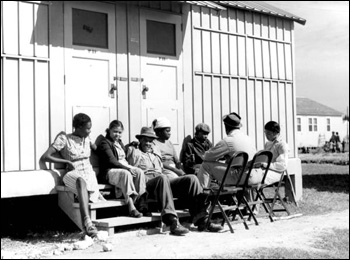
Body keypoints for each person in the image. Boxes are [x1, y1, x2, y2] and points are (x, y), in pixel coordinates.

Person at [126, 127, 224, 235]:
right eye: (145, 140)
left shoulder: (155, 151)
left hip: (162, 181)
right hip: (147, 184)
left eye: (151, 141)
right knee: (162, 178)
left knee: (191, 178)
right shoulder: (134, 150)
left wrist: (176, 171)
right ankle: (172, 221)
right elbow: (132, 168)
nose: (148, 143)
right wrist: (136, 149)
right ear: (140, 140)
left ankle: (202, 219)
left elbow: (162, 167)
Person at [40, 113, 104, 237]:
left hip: (89, 174)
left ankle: (87, 218)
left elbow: (99, 150)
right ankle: (88, 222)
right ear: (78, 127)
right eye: (88, 128)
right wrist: (67, 161)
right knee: (80, 181)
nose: (90, 131)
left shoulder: (88, 139)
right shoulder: (65, 139)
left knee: (85, 184)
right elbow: (46, 157)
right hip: (72, 174)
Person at [197, 112, 264, 188]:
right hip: (258, 175)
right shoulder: (248, 138)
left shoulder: (228, 141)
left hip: (243, 177)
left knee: (206, 165)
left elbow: (207, 157)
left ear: (226, 127)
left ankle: (201, 195)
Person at [97, 120, 146, 218]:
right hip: (109, 171)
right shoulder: (105, 143)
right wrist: (127, 169)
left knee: (139, 172)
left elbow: (123, 155)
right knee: (126, 173)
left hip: (123, 167)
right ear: (109, 130)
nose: (117, 134)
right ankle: (131, 207)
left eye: (119, 132)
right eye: (115, 131)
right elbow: (112, 161)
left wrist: (131, 145)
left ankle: (140, 203)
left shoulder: (119, 142)